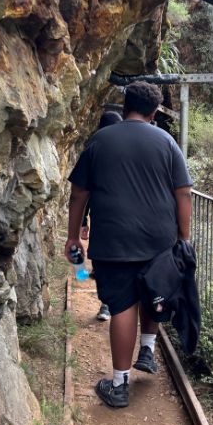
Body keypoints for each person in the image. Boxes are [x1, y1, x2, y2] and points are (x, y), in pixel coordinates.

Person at [66, 81, 193, 409]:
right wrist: (184, 238)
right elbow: (183, 193)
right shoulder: (166, 142)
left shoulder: (100, 140)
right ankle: (147, 350)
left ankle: (119, 385)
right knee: (154, 293)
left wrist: (73, 235)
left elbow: (79, 193)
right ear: (153, 112)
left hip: (113, 240)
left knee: (122, 305)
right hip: (159, 240)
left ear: (125, 106)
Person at [82, 112, 124, 322]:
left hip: (102, 217)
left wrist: (82, 223)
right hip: (124, 217)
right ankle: (110, 304)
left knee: (102, 261)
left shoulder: (93, 147)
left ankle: (106, 304)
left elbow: (83, 191)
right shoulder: (126, 150)